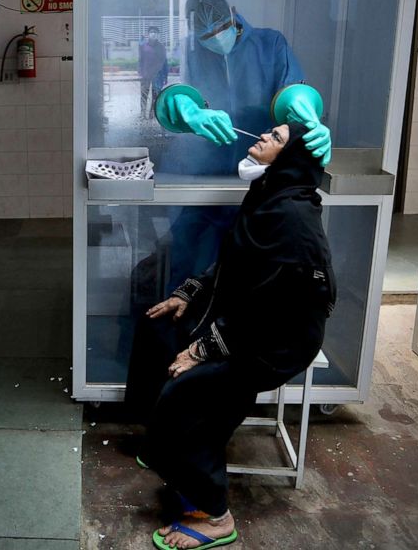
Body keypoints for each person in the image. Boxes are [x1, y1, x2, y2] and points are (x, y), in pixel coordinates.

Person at [126, 122, 336, 549]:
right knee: (158, 327)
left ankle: (215, 515)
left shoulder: (292, 217)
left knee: (188, 391)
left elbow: (275, 307)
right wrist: (190, 291)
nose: (262, 137)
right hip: (247, 321)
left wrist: (203, 349)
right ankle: (165, 447)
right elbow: (234, 260)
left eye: (276, 138)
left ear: (292, 158)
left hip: (278, 341)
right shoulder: (269, 194)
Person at [160, 0, 332, 286]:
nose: (215, 38)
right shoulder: (190, 51)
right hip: (205, 174)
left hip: (259, 180)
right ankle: (180, 323)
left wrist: (303, 106)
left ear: (233, 13)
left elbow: (291, 90)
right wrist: (187, 109)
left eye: (222, 28)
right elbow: (172, 92)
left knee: (242, 268)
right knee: (185, 259)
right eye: (206, 35)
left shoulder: (270, 44)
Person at [139, 26, 168, 119]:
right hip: (145, 75)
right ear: (148, 34)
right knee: (144, 94)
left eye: (155, 32)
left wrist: (165, 76)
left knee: (155, 95)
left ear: (158, 35)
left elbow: (165, 62)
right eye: (151, 32)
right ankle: (142, 113)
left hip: (157, 75)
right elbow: (140, 60)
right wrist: (140, 72)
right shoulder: (143, 47)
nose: (153, 34)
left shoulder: (161, 47)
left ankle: (152, 113)